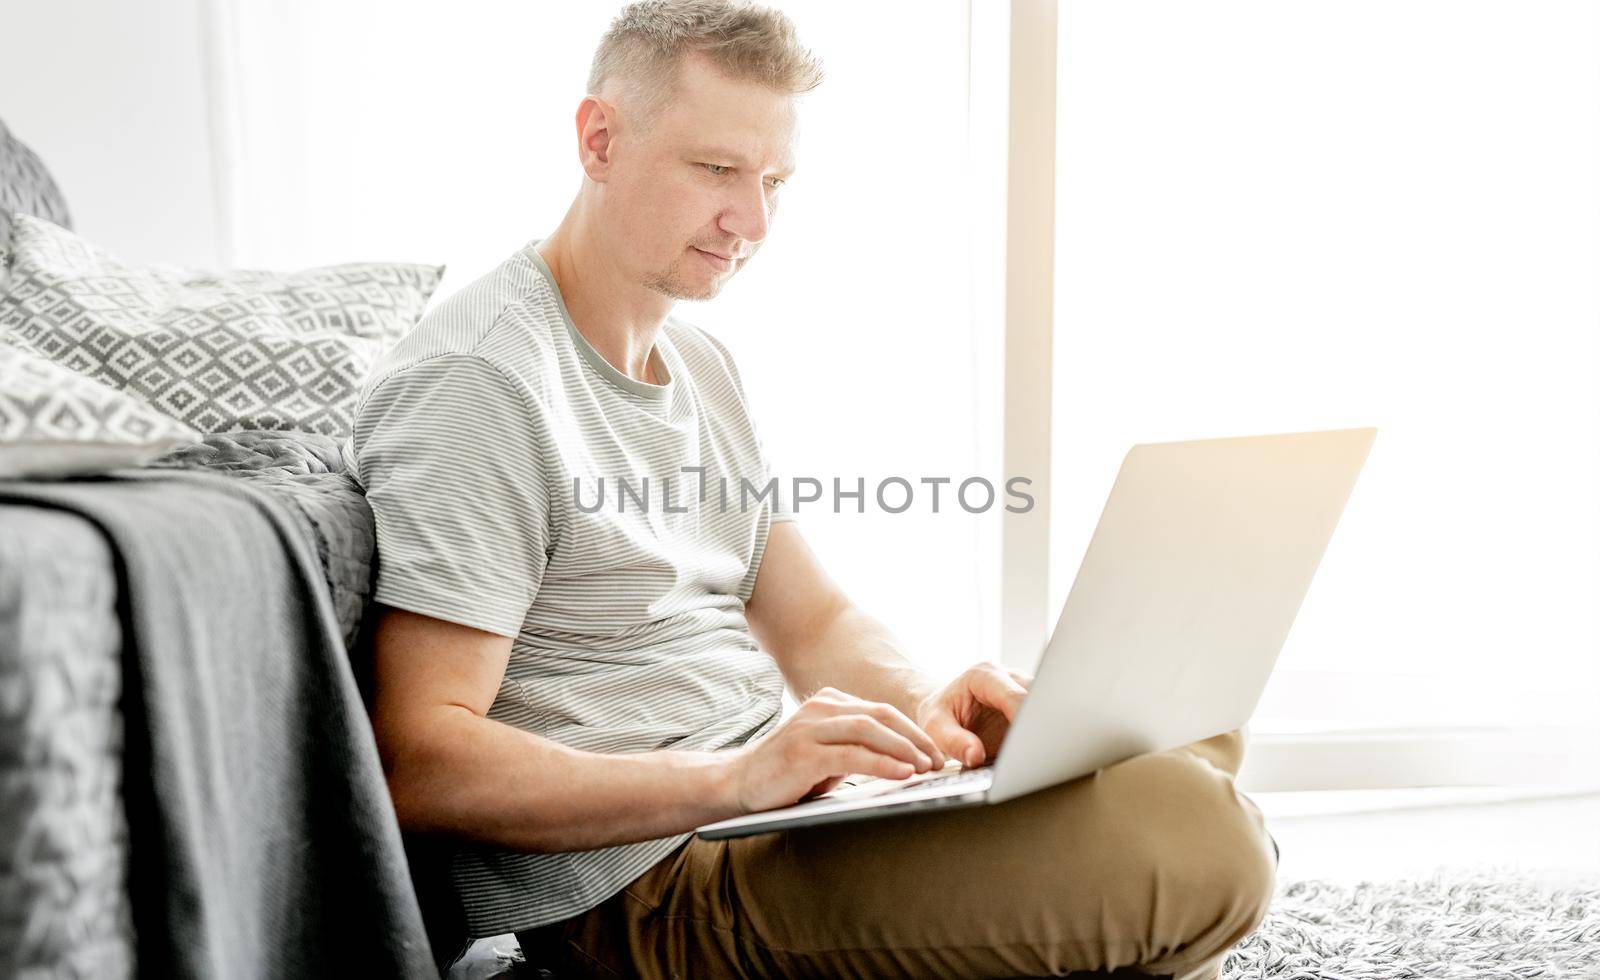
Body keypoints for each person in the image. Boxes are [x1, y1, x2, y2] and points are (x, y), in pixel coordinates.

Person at [347, 2, 1277, 977]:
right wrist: (736, 776)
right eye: (715, 170)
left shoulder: (700, 364)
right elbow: (421, 756)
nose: (750, 220)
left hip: (765, 812)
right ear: (600, 139)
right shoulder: (480, 383)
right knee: (1194, 835)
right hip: (644, 890)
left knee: (1177, 723)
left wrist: (927, 709)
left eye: (772, 181)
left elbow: (814, 615)